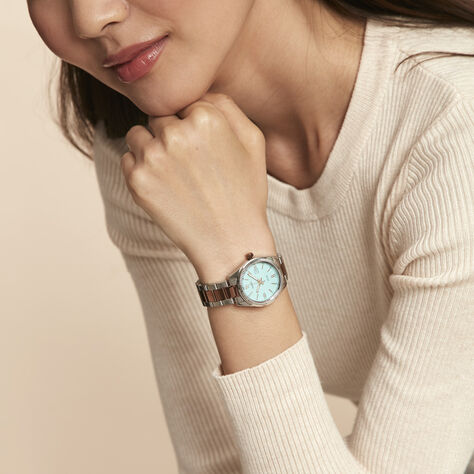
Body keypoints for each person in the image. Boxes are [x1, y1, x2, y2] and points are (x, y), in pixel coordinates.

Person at [27, 0, 474, 472]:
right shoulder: (158, 157)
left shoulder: (455, 123)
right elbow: (221, 462)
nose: (90, 18)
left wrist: (232, 253)